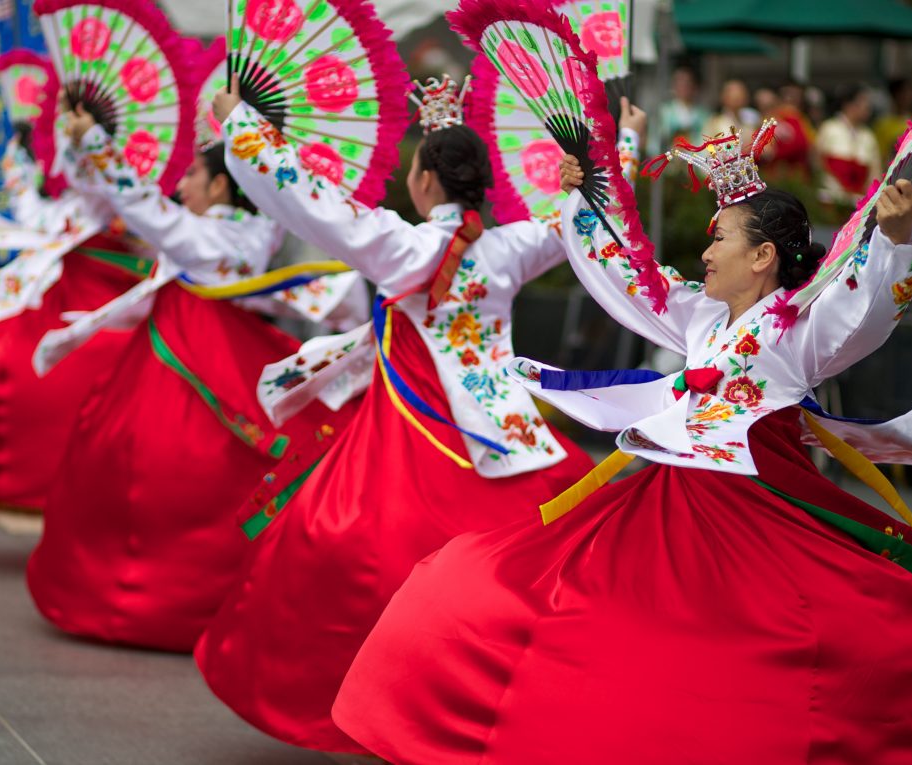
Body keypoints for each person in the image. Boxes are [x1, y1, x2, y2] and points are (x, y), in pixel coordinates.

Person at [332, 117, 912, 763]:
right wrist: (582, 203)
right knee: (492, 588)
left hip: (752, 521)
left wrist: (897, 235)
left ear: (761, 256)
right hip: (666, 503)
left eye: (719, 237)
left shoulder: (798, 332)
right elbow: (625, 276)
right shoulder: (697, 315)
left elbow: (869, 309)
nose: (704, 249)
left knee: (748, 660)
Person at [191, 76, 603, 758]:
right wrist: (592, 172)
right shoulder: (509, 247)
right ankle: (470, 701)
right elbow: (577, 224)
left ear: (425, 182)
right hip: (499, 432)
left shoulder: (403, 245)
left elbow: (307, 196)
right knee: (512, 567)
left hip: (409, 434)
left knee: (344, 550)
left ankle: (370, 700)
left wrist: (242, 125)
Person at [24, 105, 360, 651]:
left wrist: (95, 144)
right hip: (233, 355)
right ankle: (230, 603)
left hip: (181, 365)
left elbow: (140, 204)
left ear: (222, 185)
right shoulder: (259, 234)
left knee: (143, 468)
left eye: (194, 177)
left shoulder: (205, 240)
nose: (181, 186)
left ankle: (138, 604)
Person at [0, 117, 145, 509]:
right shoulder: (82, 199)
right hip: (64, 289)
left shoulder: (122, 194)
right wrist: (19, 169)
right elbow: (44, 217)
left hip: (99, 298)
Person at [816, 84, 881, 206]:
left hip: (858, 201)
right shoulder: (829, 128)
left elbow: (874, 173)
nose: (868, 109)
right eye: (864, 104)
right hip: (829, 198)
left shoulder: (869, 136)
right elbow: (818, 162)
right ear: (849, 105)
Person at [657, 65, 707, 151]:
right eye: (679, 83)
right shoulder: (665, 111)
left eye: (687, 83)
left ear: (694, 87)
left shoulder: (703, 114)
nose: (683, 87)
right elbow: (657, 140)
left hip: (695, 157)